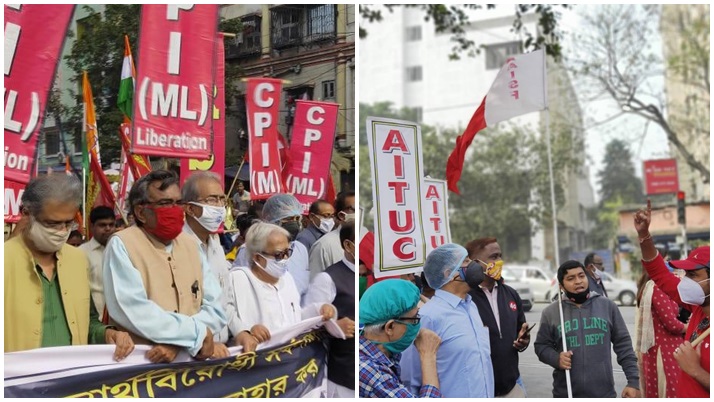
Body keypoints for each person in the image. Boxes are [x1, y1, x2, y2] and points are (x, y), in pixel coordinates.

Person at [4, 175, 134, 361]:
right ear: (26, 213)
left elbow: (87, 322)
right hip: (16, 385)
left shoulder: (77, 259)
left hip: (70, 381)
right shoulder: (6, 259)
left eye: (68, 223)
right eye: (52, 223)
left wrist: (107, 334)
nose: (62, 231)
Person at [103, 170, 226, 363]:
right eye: (165, 203)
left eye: (178, 203)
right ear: (141, 212)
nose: (175, 209)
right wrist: (194, 334)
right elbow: (135, 311)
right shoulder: (122, 244)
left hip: (192, 365)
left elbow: (216, 308)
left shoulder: (191, 245)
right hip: (143, 365)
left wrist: (180, 341)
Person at [634, 199, 709, 397]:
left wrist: (695, 370)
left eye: (693, 275)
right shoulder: (697, 307)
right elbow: (659, 273)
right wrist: (644, 235)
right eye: (685, 273)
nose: (685, 281)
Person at [534, 260, 641, 398]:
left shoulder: (608, 306)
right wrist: (556, 358)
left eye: (581, 276)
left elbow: (624, 346)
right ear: (561, 286)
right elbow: (541, 346)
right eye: (571, 278)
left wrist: (633, 381)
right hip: (566, 394)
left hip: (604, 394)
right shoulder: (551, 312)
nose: (578, 281)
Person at [400, 243, 493, 397]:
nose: (473, 265)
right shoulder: (427, 317)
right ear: (449, 273)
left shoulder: (472, 307)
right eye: (466, 261)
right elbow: (410, 379)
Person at [228, 222, 336, 353]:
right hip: (258, 362)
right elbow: (226, 318)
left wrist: (319, 310)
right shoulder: (238, 279)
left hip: (289, 359)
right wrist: (246, 330)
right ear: (257, 257)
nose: (285, 259)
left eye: (288, 252)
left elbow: (295, 320)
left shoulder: (287, 279)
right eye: (279, 255)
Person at [465, 237, 531, 397]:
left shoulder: (511, 294)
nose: (500, 261)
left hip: (513, 384)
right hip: (481, 388)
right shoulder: (465, 298)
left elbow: (520, 331)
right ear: (475, 262)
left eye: (500, 256)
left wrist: (523, 341)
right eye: (494, 257)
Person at [182, 171, 238, 354]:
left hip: (223, 348)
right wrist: (202, 343)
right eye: (212, 200)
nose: (220, 206)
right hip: (194, 353)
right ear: (190, 208)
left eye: (222, 200)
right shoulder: (177, 247)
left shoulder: (216, 244)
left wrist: (241, 331)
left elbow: (226, 300)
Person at [359, 279, 443, 398]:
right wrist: (428, 355)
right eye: (414, 319)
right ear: (390, 327)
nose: (417, 325)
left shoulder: (377, 350)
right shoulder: (374, 374)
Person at [303, 221, 357, 397]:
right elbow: (308, 324)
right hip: (343, 375)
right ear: (348, 245)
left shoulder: (372, 276)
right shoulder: (327, 279)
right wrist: (334, 325)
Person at [635, 270, 686, 397]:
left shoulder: (652, 286)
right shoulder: (657, 288)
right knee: (670, 391)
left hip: (658, 349)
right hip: (665, 351)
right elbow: (672, 324)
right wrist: (691, 326)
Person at [260, 194, 311, 299]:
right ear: (272, 220)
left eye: (297, 218)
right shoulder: (254, 250)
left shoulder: (300, 249)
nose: (295, 223)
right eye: (289, 218)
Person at [79, 206, 117, 322]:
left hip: (121, 322)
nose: (108, 229)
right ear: (92, 227)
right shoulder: (81, 253)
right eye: (102, 225)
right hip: (96, 322)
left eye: (111, 225)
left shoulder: (121, 250)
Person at [309, 191, 355, 279]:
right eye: (354, 209)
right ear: (341, 215)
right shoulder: (324, 246)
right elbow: (315, 283)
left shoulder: (370, 240)